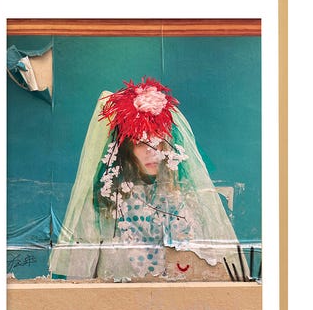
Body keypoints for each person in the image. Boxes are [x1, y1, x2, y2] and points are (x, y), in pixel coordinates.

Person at [49, 77, 246, 281]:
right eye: (141, 143)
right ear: (126, 150)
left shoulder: (181, 199)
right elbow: (81, 277)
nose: (152, 152)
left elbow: (203, 263)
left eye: (158, 143)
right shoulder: (104, 203)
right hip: (115, 297)